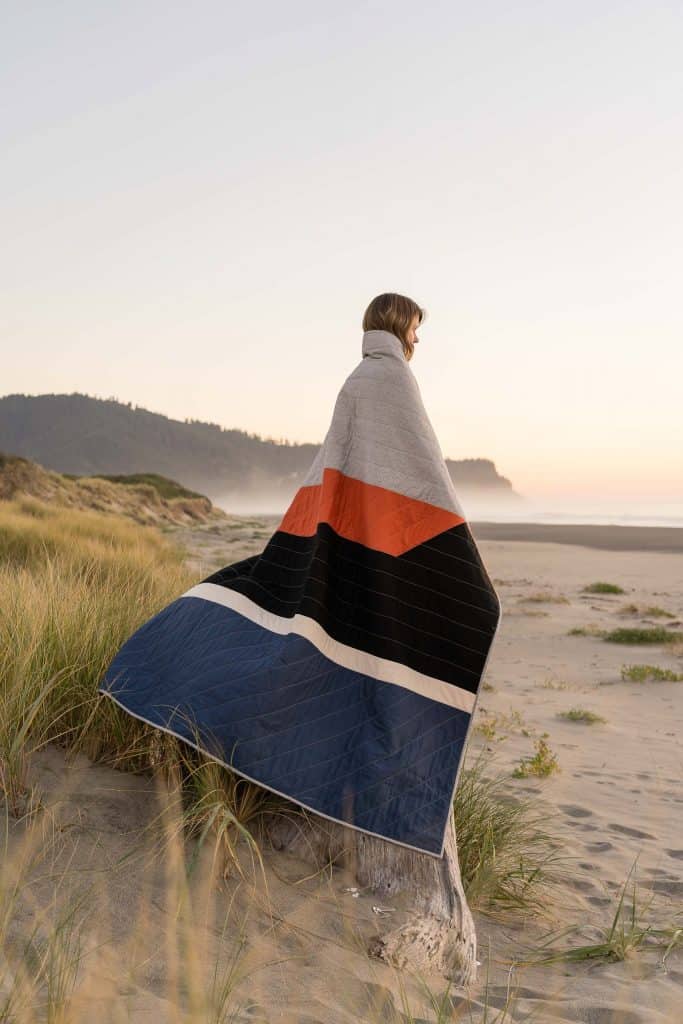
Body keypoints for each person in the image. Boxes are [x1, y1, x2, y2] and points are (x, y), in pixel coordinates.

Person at [99, 293, 501, 858]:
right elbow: (421, 475)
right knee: (466, 609)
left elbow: (357, 470)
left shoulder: (358, 377)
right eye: (416, 327)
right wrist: (453, 549)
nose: (418, 340)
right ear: (399, 324)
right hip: (372, 541)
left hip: (348, 537)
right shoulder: (392, 380)